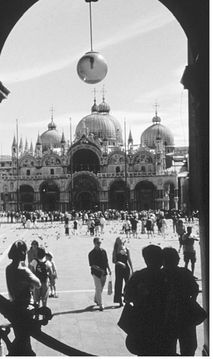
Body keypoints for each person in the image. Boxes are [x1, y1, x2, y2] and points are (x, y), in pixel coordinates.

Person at [123, 245, 165, 356]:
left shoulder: (138, 276)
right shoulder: (166, 276)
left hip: (142, 322)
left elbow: (127, 297)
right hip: (164, 323)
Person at [161, 247, 199, 355]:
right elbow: (195, 289)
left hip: (166, 317)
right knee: (189, 347)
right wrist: (191, 302)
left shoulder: (160, 275)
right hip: (185, 315)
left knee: (167, 348)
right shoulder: (185, 273)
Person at [6, 240, 41, 355]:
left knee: (20, 336)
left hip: (14, 306)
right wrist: (29, 283)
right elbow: (38, 283)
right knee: (24, 340)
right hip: (25, 308)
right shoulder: (23, 270)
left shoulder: (8, 269)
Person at [88, 237, 111, 311]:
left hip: (104, 272)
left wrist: (109, 269)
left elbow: (106, 261)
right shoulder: (91, 253)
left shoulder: (103, 251)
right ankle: (100, 304)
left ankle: (96, 298)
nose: (99, 244)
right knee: (98, 287)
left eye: (100, 243)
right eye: (98, 243)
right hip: (96, 273)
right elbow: (92, 265)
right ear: (94, 243)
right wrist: (100, 270)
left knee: (101, 288)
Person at [112, 237, 133, 307]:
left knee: (128, 283)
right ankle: (119, 300)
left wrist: (132, 269)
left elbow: (129, 259)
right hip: (119, 268)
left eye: (121, 240)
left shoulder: (126, 249)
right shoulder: (115, 250)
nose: (120, 241)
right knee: (119, 284)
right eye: (118, 240)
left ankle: (127, 298)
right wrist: (120, 263)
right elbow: (114, 261)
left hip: (126, 268)